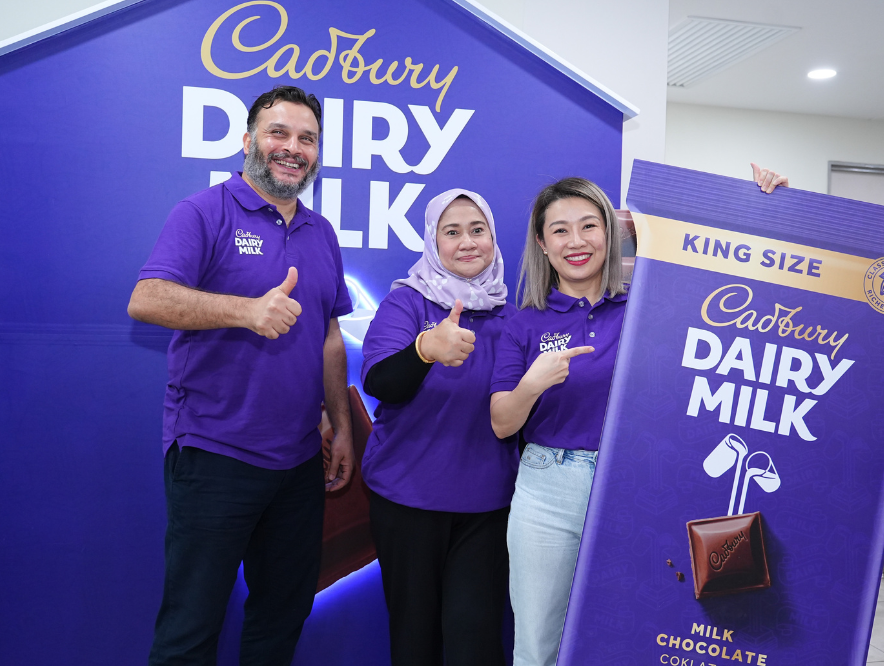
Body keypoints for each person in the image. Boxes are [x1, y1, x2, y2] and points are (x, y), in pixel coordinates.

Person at [489, 165, 788, 666]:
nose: (576, 241)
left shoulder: (651, 308)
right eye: (559, 230)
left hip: (634, 485)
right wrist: (534, 382)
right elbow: (502, 422)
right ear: (542, 244)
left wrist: (761, 205)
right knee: (537, 645)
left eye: (589, 225)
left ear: (611, 231)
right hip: (548, 492)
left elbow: (737, 282)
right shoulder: (524, 322)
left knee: (631, 637)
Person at [128, 85, 355, 666]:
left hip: (299, 461)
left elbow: (329, 336)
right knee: (190, 629)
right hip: (213, 452)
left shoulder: (321, 232)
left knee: (280, 621)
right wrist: (245, 310)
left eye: (307, 138)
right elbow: (147, 298)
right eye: (279, 133)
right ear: (249, 139)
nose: (292, 148)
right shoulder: (204, 211)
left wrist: (340, 423)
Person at [360, 189, 519, 666]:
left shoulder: (514, 316)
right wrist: (425, 349)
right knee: (414, 642)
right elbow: (381, 382)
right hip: (407, 502)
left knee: (477, 642)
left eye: (478, 230)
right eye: (452, 232)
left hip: (487, 509)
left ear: (493, 236)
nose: (467, 242)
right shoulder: (407, 303)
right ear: (432, 241)